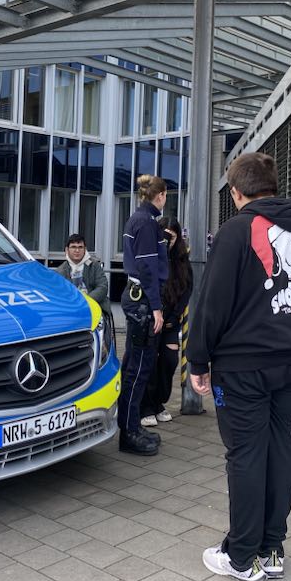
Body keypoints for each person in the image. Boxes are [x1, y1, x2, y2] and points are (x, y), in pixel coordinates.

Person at [186, 152, 291, 581]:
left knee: (245, 454)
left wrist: (198, 359)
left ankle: (242, 556)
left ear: (236, 192)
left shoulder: (235, 231)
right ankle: (272, 545)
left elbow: (211, 303)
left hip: (243, 365)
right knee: (279, 445)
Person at [118, 174, 168, 456]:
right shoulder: (147, 223)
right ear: (159, 196)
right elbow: (148, 268)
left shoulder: (138, 219)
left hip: (137, 298)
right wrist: (157, 306)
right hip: (143, 302)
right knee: (139, 368)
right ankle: (130, 432)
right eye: (165, 197)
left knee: (133, 366)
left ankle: (130, 424)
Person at [141, 217, 193, 427]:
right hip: (152, 320)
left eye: (172, 233)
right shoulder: (151, 256)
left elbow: (187, 288)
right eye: (164, 232)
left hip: (171, 320)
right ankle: (146, 407)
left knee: (170, 361)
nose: (168, 237)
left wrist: (175, 316)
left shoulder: (181, 259)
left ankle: (158, 403)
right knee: (150, 364)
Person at [54, 233, 110, 314]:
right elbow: (58, 294)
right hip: (70, 311)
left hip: (94, 307)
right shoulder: (59, 271)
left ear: (85, 249)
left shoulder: (94, 265)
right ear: (67, 250)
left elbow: (102, 287)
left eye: (80, 247)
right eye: (73, 247)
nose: (77, 251)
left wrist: (85, 301)